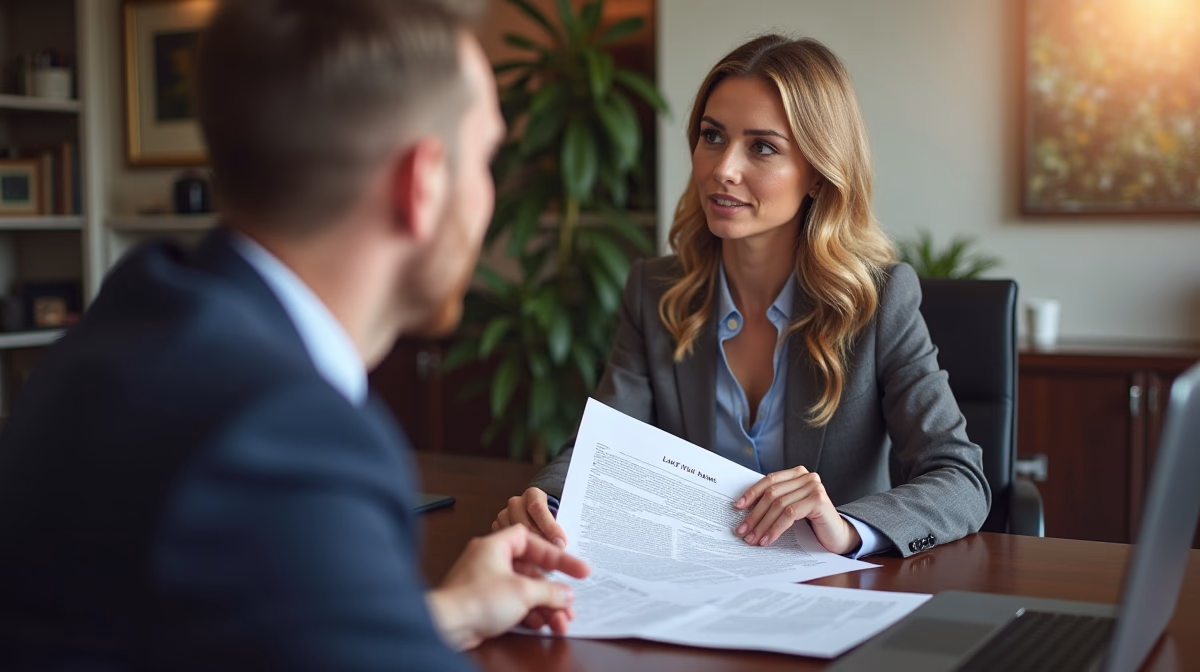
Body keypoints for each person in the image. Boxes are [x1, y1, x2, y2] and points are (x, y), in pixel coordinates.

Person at [0, 0, 587, 668]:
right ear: (422, 184)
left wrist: (434, 613)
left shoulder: (131, 319)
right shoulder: (285, 439)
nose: (488, 194)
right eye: (484, 159)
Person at [494, 35, 990, 559]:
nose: (723, 169)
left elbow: (960, 478)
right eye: (712, 136)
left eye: (762, 147)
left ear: (818, 174)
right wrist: (548, 505)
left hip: (834, 584)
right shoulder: (656, 292)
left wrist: (846, 528)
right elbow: (601, 447)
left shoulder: (878, 301)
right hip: (691, 576)